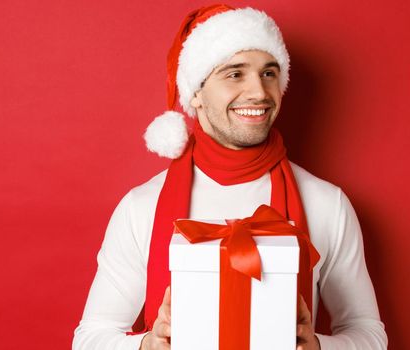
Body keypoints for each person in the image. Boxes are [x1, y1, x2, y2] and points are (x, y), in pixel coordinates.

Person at [72, 5, 388, 350]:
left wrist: (318, 347)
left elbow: (368, 333)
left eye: (269, 73)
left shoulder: (326, 203)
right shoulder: (141, 206)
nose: (259, 93)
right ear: (195, 92)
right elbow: (90, 339)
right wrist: (148, 345)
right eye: (235, 74)